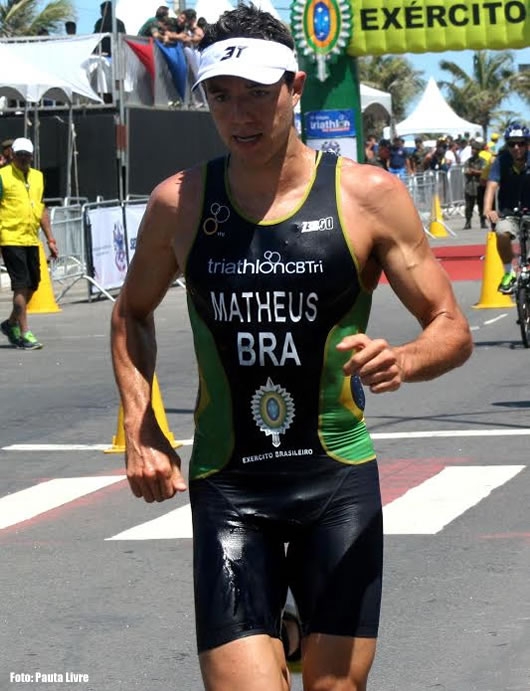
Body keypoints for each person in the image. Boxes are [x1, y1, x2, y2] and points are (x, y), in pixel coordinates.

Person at [110, 5, 473, 691]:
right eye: (221, 95)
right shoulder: (179, 203)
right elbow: (131, 311)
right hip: (230, 484)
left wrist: (407, 358)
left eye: (258, 93)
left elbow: (451, 325)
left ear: (297, 87)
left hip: (335, 481)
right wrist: (140, 424)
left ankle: (298, 628)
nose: (240, 113)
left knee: (335, 687)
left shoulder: (369, 197)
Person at [0, 138, 58, 350]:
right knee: (21, 286)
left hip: (31, 239)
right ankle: (25, 333)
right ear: (12, 155)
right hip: (10, 237)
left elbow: (41, 210)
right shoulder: (2, 176)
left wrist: (50, 238)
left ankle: (11, 323)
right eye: (19, 154)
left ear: (32, 156)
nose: (23, 158)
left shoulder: (38, 177)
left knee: (32, 285)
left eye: (27, 154)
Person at [484, 122, 530, 294]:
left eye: (521, 143)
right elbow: (491, 185)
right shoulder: (501, 161)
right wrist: (488, 209)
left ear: (527, 144)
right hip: (509, 212)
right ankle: (509, 273)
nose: (516, 147)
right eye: (512, 144)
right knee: (501, 233)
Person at [463, 140, 487, 229]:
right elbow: (466, 171)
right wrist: (475, 172)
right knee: (469, 206)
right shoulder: (468, 161)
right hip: (470, 187)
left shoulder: (482, 161)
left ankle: (483, 222)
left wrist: (474, 171)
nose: (473, 150)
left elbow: (484, 172)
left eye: (475, 149)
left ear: (478, 150)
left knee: (481, 205)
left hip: (479, 186)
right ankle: (468, 222)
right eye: (472, 148)